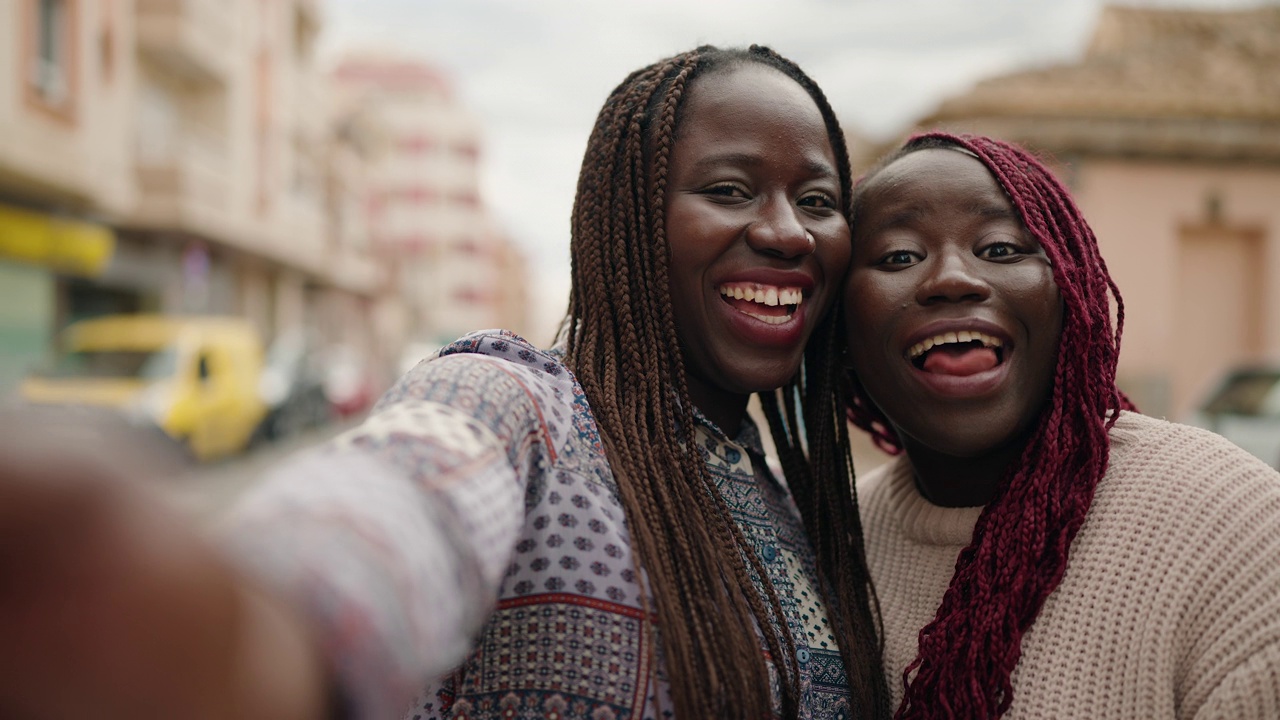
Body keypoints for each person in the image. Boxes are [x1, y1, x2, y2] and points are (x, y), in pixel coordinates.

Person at [0, 45, 891, 719]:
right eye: (730, 190)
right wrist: (233, 630)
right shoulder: (524, 409)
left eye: (817, 202)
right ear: (624, 221)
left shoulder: (792, 498)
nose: (788, 233)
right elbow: (393, 508)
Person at [841, 131, 1280, 719]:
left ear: (1074, 289)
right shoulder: (834, 543)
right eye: (898, 256)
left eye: (999, 249)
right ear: (838, 328)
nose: (950, 278)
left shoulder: (1233, 523)